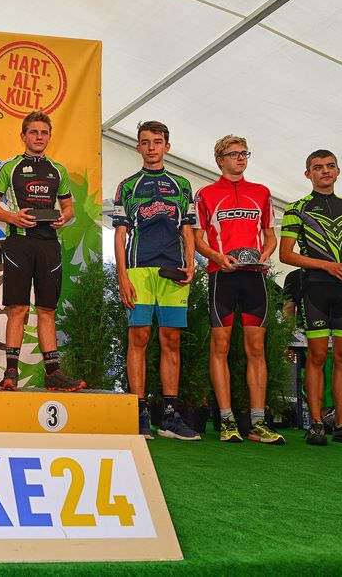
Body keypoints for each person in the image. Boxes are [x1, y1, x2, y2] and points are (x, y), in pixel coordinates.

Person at [279, 150, 342, 447]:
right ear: (308, 174)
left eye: (330, 166)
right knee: (317, 356)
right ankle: (316, 424)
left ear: (338, 171)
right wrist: (326, 265)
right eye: (318, 167)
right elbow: (286, 254)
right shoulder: (297, 208)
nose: (325, 171)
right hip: (315, 289)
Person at [193, 135, 283, 444]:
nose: (240, 158)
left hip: (255, 277)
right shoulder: (205, 195)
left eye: (244, 153)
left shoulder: (261, 193)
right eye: (233, 154)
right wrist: (218, 257)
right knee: (220, 347)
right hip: (223, 276)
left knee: (256, 349)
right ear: (220, 160)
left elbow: (270, 235)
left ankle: (258, 423)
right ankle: (226, 420)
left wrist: (266, 254)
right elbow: (198, 240)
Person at [113, 121, 199, 440]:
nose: (151, 147)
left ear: (167, 146)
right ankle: (139, 412)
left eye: (157, 141)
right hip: (138, 269)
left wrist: (191, 263)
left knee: (171, 339)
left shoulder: (182, 185)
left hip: (173, 270)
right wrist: (122, 275)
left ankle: (170, 416)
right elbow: (120, 234)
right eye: (145, 142)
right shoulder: (127, 186)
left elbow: (187, 228)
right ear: (138, 147)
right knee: (139, 337)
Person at [0, 110, 79, 392]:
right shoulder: (9, 166)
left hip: (49, 244)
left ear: (50, 137)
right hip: (19, 243)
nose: (39, 137)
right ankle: (11, 372)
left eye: (44, 133)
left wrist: (64, 218)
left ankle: (53, 373)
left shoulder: (58, 170)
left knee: (47, 308)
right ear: (23, 136)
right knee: (19, 307)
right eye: (34, 132)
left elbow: (69, 207)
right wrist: (13, 217)